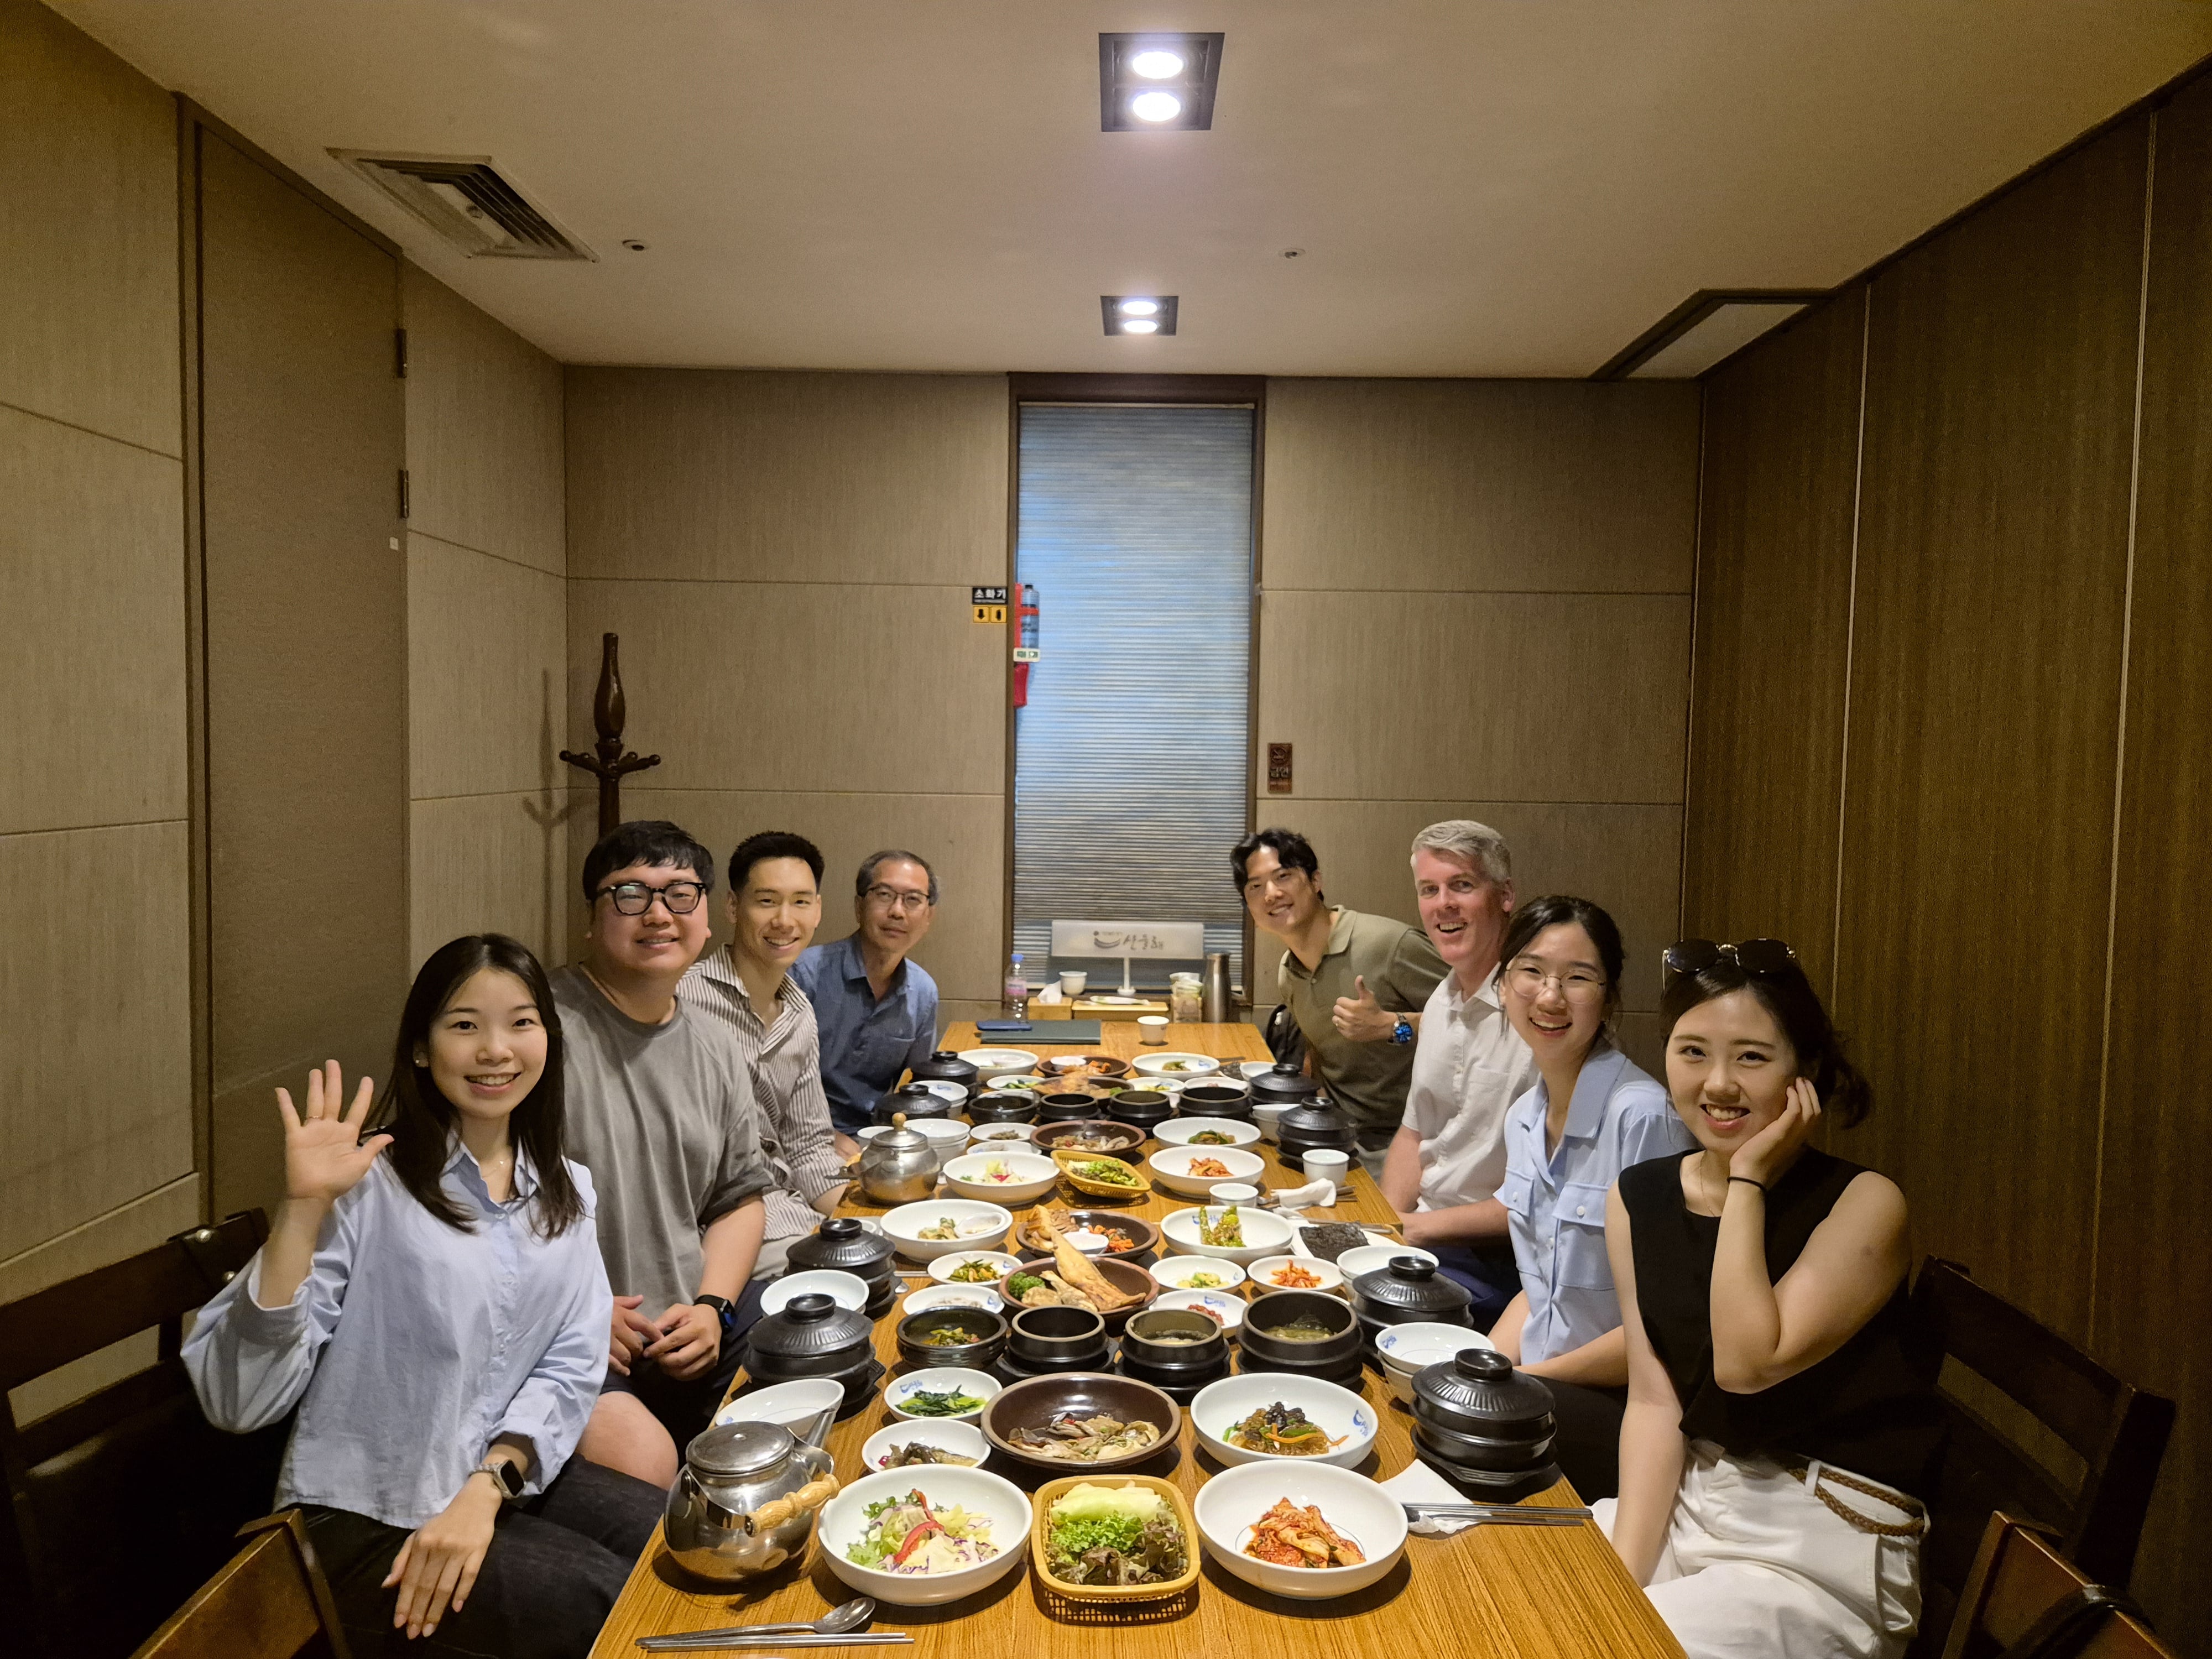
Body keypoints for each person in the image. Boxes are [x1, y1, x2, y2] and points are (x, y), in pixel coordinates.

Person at [182, 935, 663, 1659]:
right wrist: (304, 1208)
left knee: (677, 1537)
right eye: (464, 1025)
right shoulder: (369, 1186)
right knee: (610, 1607)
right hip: (363, 1517)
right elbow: (239, 1401)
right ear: (420, 1048)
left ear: (548, 1040)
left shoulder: (567, 1189)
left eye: (521, 1022)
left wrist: (486, 1487)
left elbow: (569, 1366)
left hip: (499, 1480)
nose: (496, 1049)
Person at [1597, 940, 1939, 1659]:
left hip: (1822, 1539)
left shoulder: (1866, 1204)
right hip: (1697, 1500)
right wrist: (1619, 1585)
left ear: (1804, 1073)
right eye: (1692, 1052)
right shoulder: (1637, 1200)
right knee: (1527, 1602)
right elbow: (1657, 1404)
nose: (1718, 1083)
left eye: (1751, 1057)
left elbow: (1747, 1364)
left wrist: (1747, 1179)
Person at [554, 821, 772, 1489]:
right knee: (650, 1470)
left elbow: (739, 1198)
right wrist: (579, 1312)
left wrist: (713, 1307)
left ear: (707, 918)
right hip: (567, 1335)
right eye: (628, 895)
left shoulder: (715, 1044)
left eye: (680, 894)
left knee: (825, 1356)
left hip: (687, 1326)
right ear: (592, 919)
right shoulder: (540, 1032)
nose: (657, 914)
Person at [1488, 894, 1697, 1499]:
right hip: (1545, 1386)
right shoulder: (1523, 1118)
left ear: (1606, 997)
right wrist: (1477, 1364)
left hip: (1629, 1407)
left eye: (1578, 978)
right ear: (1503, 986)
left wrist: (1523, 1382)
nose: (1550, 998)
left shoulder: (1645, 1117)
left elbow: (1664, 1328)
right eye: (1531, 972)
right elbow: (1538, 1290)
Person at [1378, 821, 1537, 1327]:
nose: (1442, 903)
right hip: (1425, 1237)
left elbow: (1539, 1197)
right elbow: (1413, 1133)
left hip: (1498, 1262)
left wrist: (1415, 1229)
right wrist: (1383, 1227)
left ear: (1506, 894)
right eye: (1430, 890)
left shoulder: (1540, 1013)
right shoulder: (1440, 1000)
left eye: (1462, 886)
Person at [679, 831, 852, 1279]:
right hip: (720, 1226)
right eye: (767, 901)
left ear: (818, 909)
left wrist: (864, 1216)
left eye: (800, 902)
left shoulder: (799, 1013)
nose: (784, 920)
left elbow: (810, 1146)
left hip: (794, 1219)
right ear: (734, 907)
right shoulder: (684, 1000)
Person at [1233, 826, 1446, 1171]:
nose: (1270, 894)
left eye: (1283, 876)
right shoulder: (1289, 971)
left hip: (1412, 1142)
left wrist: (1393, 1025)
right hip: (1337, 1136)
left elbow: (1483, 1018)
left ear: (1316, 881)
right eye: (1255, 887)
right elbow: (1317, 1053)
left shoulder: (1388, 945)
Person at [790, 849, 942, 1151]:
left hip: (880, 1137)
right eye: (884, 895)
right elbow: (774, 1086)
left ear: (928, 916)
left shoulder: (923, 992)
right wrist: (826, 1136)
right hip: (803, 1137)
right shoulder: (804, 975)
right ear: (859, 906)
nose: (898, 911)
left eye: (913, 899)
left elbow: (915, 1091)